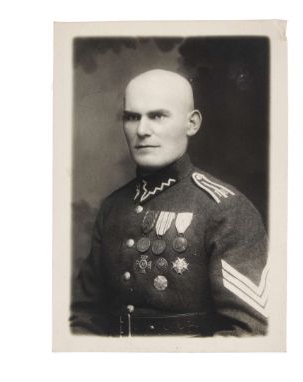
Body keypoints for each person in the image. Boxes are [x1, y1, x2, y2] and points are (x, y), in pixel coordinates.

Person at [70, 69, 269, 336]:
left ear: (192, 123)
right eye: (132, 117)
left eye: (157, 116)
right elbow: (82, 318)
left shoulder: (225, 209)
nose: (141, 130)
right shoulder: (113, 208)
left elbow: (251, 333)